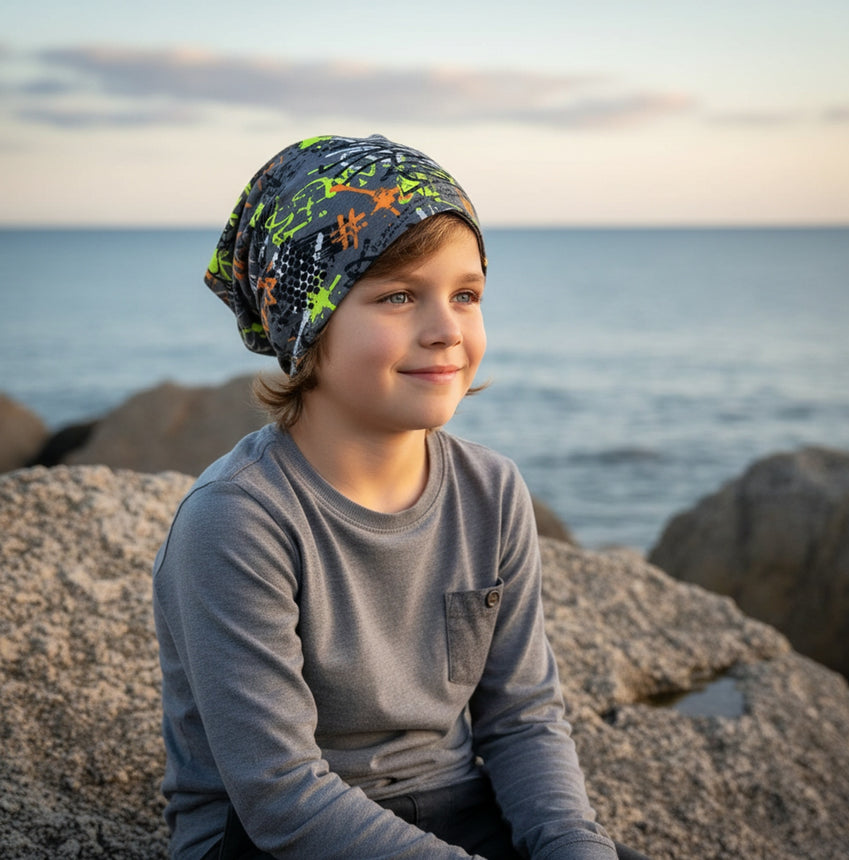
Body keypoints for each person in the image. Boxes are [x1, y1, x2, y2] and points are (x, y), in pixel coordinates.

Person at [153, 134, 649, 860]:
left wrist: (573, 845)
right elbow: (281, 796)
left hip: (457, 809)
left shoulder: (492, 490)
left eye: (466, 296)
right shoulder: (238, 518)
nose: (446, 330)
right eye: (398, 296)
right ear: (308, 320)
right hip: (273, 838)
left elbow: (522, 719)